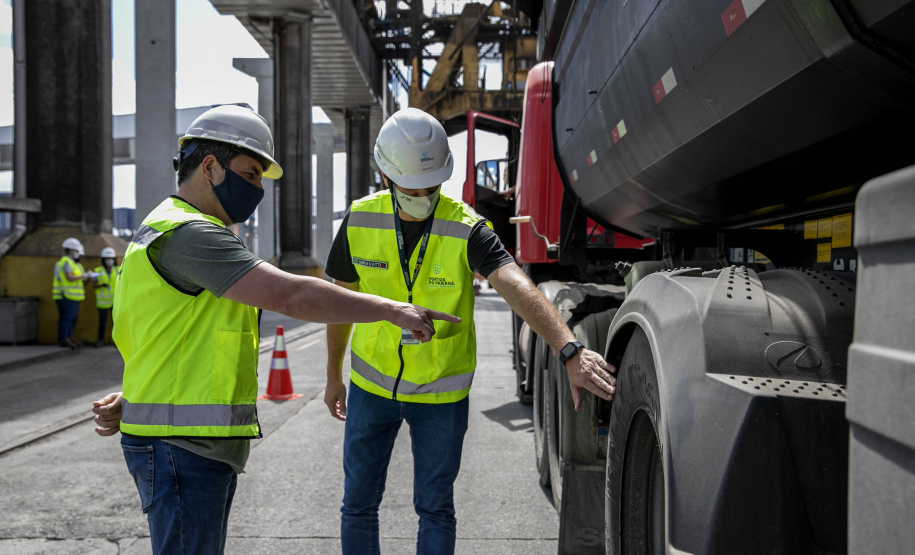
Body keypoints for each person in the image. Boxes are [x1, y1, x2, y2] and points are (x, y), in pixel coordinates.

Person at [89, 104, 459, 555]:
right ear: (210, 167)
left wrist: (137, 398)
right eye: (249, 174)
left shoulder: (174, 230)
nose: (258, 189)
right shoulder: (189, 234)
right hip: (182, 448)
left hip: (186, 442)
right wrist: (390, 309)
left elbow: (167, 337)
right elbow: (292, 296)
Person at [322, 107, 618, 555]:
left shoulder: (466, 228)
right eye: (412, 188)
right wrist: (332, 376)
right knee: (358, 503)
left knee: (436, 508)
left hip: (441, 395)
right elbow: (339, 304)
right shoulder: (360, 221)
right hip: (371, 387)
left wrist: (569, 348)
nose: (423, 195)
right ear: (386, 176)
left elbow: (516, 285)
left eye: (432, 187)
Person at [52, 237, 94, 348]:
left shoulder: (74, 264)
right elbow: (69, 277)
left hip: (74, 296)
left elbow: (78, 280)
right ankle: (65, 338)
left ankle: (68, 337)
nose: (78, 255)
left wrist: (87, 278)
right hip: (67, 295)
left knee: (71, 318)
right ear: (71, 250)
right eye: (77, 252)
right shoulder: (66, 262)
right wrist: (85, 275)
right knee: (67, 318)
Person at [92, 247, 118, 347]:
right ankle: (100, 340)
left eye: (111, 258)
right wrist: (101, 285)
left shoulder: (118, 269)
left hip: (115, 302)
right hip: (102, 302)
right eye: (107, 258)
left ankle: (117, 342)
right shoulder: (97, 271)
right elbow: (93, 285)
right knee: (102, 323)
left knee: (116, 324)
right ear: (103, 260)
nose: (109, 260)